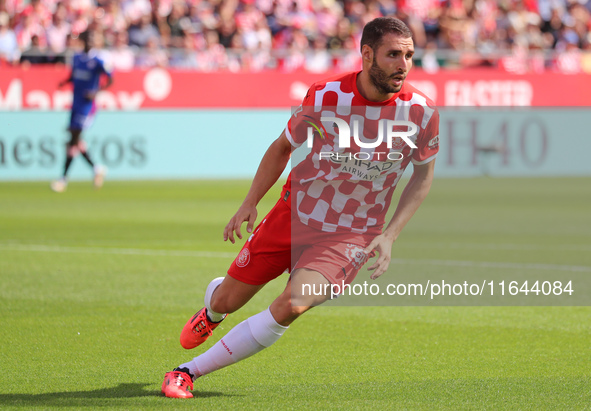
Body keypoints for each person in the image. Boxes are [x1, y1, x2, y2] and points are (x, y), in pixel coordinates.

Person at [161, 16, 440, 399]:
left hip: (354, 232)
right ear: (367, 54)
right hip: (295, 214)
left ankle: (185, 373)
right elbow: (282, 148)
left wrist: (390, 234)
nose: (404, 64)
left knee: (293, 304)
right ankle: (212, 311)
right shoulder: (327, 97)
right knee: (229, 299)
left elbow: (423, 177)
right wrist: (249, 203)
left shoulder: (421, 112)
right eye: (394, 54)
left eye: (409, 55)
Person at [51, 30, 113, 193]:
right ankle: (97, 169)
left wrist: (97, 92)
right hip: (75, 103)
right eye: (90, 38)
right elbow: (74, 76)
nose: (92, 41)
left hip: (87, 106)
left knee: (73, 140)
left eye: (94, 38)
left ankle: (63, 179)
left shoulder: (98, 61)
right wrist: (64, 82)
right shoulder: (77, 58)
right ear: (83, 40)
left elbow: (111, 78)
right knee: (75, 141)